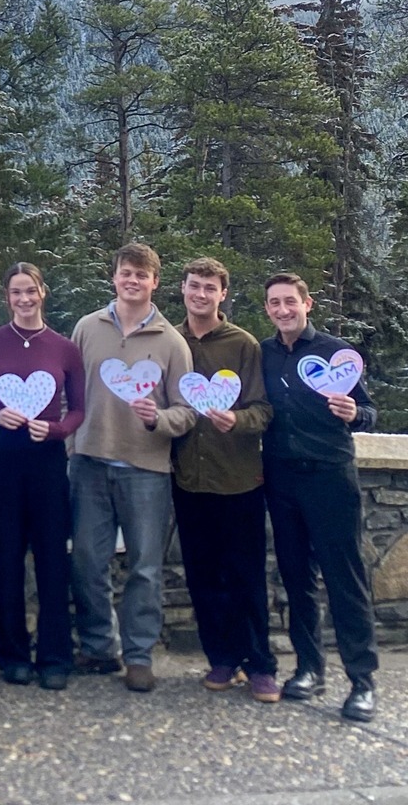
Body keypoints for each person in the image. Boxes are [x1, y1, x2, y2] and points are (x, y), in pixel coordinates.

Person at [69, 242, 194, 693]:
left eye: (142, 275)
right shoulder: (87, 328)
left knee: (144, 567)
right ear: (115, 277)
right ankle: (99, 646)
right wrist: (72, 446)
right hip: (89, 463)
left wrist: (158, 419)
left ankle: (139, 656)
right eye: (126, 272)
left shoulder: (171, 342)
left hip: (146, 469)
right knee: (87, 561)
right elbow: (69, 394)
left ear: (155, 282)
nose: (133, 281)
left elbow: (187, 411)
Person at [261, 272, 378, 722]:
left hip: (330, 477)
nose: (283, 310)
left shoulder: (336, 353)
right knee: (296, 578)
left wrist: (355, 412)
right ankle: (310, 668)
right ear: (268, 309)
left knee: (345, 578)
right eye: (275, 303)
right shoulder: (264, 353)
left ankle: (362, 681)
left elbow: (368, 411)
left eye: (290, 301)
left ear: (307, 304)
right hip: (282, 478)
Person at [0, 263, 85, 690]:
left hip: (47, 460)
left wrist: (56, 430)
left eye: (30, 291)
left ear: (42, 292)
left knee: (53, 558)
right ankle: (12, 654)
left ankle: (54, 656)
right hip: (4, 457)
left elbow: (79, 409)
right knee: (7, 556)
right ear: (7, 297)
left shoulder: (64, 348)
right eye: (16, 292)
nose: (24, 299)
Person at [170, 258, 276, 703]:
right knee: (203, 577)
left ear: (222, 294)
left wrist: (238, 420)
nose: (201, 294)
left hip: (238, 481)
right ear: (182, 288)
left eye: (209, 288)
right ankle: (221, 658)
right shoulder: (170, 341)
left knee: (246, 577)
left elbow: (264, 410)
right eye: (194, 286)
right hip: (188, 481)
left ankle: (260, 665)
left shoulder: (243, 345)